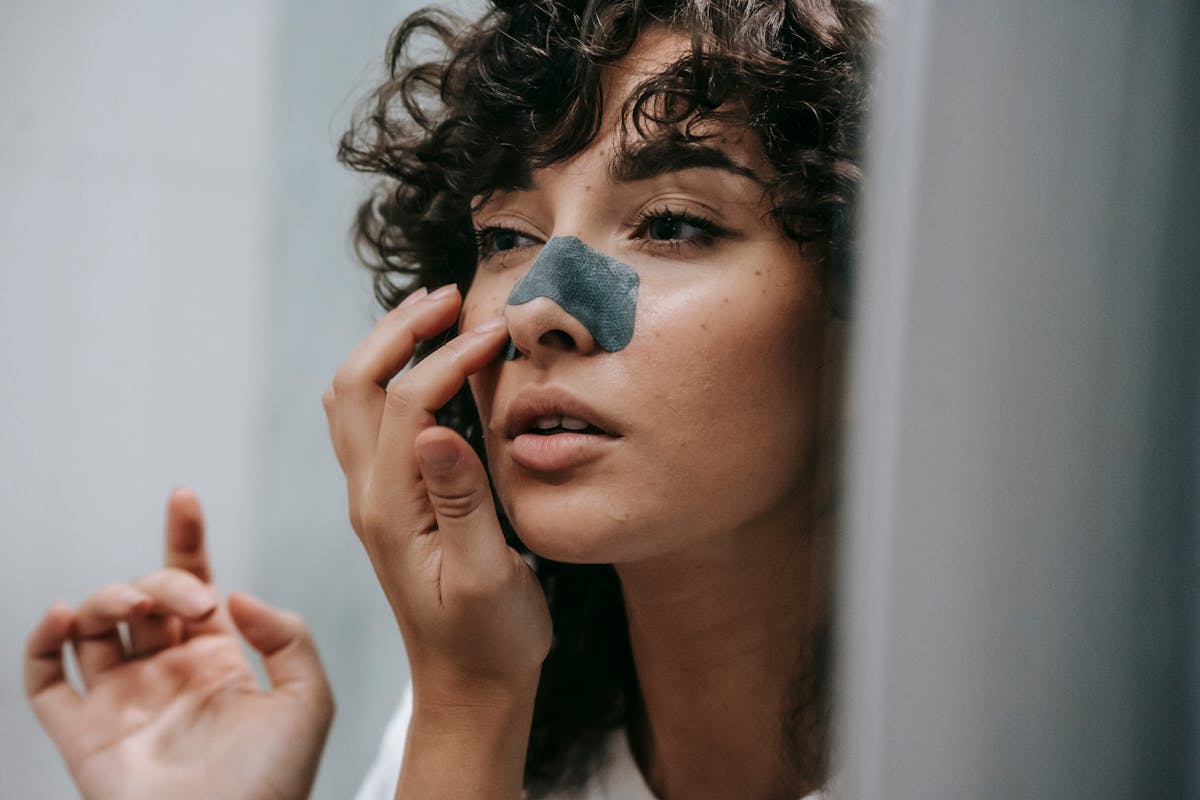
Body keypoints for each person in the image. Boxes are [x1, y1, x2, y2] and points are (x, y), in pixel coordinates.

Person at [23, 1, 873, 798]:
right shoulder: (481, 717)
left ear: (883, 317)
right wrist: (467, 700)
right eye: (506, 238)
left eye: (675, 223)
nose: (538, 306)